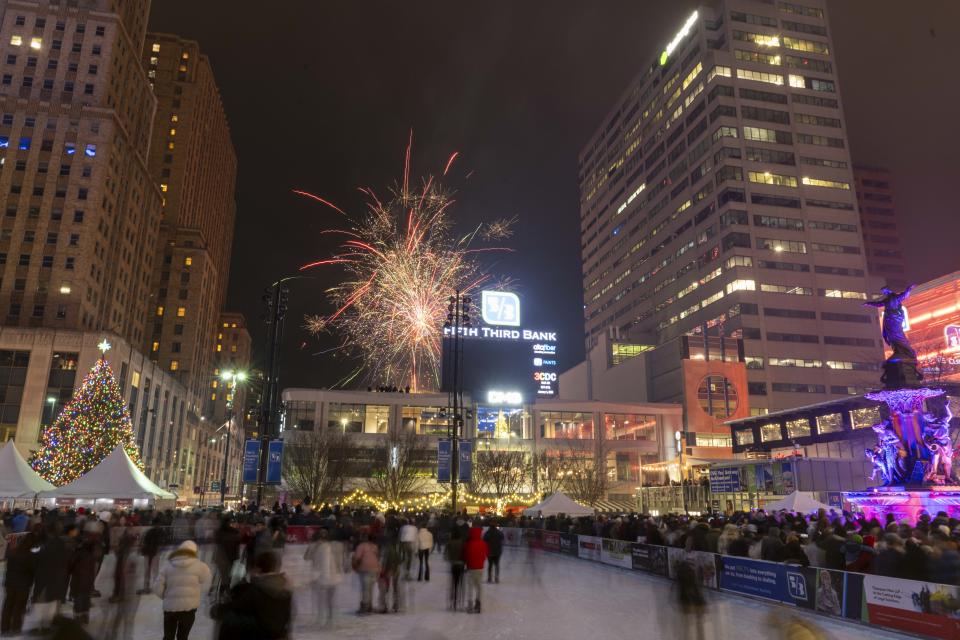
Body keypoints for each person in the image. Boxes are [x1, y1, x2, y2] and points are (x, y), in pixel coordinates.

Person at [216, 550, 292, 640]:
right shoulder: (285, 588)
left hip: (261, 634)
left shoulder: (256, 589)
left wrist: (217, 610)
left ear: (258, 569)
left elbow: (235, 607)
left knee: (230, 620)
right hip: (279, 633)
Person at [153, 540, 213, 640]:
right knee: (183, 637)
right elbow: (207, 582)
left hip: (170, 609)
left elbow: (157, 587)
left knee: (168, 637)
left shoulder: (167, 565)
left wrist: (166, 596)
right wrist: (196, 593)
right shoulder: (200, 566)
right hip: (188, 609)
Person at [32, 522, 71, 633]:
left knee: (42, 600)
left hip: (44, 576)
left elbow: (35, 556)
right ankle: (47, 625)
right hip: (56, 577)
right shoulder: (61, 544)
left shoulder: (43, 544)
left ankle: (41, 625)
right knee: (51, 601)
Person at [304, 528, 343, 627]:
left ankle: (323, 619)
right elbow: (307, 557)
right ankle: (327, 619)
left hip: (322, 577)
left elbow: (307, 558)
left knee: (321, 600)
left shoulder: (321, 547)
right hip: (330, 577)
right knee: (327, 600)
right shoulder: (332, 546)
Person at [1, 532, 36, 635]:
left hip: (10, 583)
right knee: (19, 606)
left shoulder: (13, 552)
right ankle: (15, 628)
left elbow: (9, 568)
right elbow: (33, 570)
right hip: (23, 585)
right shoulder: (30, 555)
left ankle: (4, 628)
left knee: (8, 605)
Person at [674, 561, 706, 640]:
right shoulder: (689, 577)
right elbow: (695, 590)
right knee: (696, 623)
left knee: (687, 623)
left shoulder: (682, 577)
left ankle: (689, 636)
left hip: (689, 601)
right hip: (693, 601)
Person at [70, 537, 99, 624]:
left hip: (78, 581)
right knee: (85, 599)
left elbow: (70, 567)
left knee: (78, 600)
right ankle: (85, 616)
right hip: (88, 582)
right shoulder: (92, 557)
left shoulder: (78, 555)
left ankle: (78, 617)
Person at [351, 532, 380, 615]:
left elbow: (357, 557)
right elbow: (377, 556)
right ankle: (370, 605)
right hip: (375, 569)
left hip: (365, 569)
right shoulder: (375, 547)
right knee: (370, 588)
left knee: (365, 589)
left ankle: (365, 606)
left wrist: (355, 565)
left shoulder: (361, 546)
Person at [213, 517, 242, 596]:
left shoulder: (218, 532)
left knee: (224, 575)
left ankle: (223, 591)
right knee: (228, 574)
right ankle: (226, 590)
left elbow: (216, 541)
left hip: (221, 557)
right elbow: (239, 540)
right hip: (231, 556)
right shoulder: (234, 532)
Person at [463, 526, 488, 613]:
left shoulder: (469, 544)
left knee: (470, 586)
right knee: (479, 586)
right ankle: (478, 604)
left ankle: (470, 604)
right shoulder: (483, 543)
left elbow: (465, 555)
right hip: (480, 568)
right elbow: (486, 554)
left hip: (471, 568)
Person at [378, 533, 405, 613]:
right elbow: (401, 559)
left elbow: (385, 561)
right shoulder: (397, 548)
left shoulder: (387, 549)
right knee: (395, 588)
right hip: (396, 569)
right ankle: (396, 605)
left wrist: (383, 570)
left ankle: (385, 606)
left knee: (385, 588)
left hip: (389, 569)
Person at [139, 516, 165, 594]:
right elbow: (162, 543)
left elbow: (144, 542)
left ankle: (146, 587)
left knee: (148, 571)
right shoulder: (159, 532)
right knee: (154, 571)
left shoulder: (149, 531)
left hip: (149, 553)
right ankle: (154, 587)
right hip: (154, 552)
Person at [445, 528, 465, 610]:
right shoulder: (462, 543)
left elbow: (446, 555)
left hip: (453, 564)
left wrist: (450, 559)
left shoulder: (450, 543)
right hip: (461, 564)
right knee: (461, 585)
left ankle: (452, 603)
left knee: (453, 584)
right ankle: (460, 604)